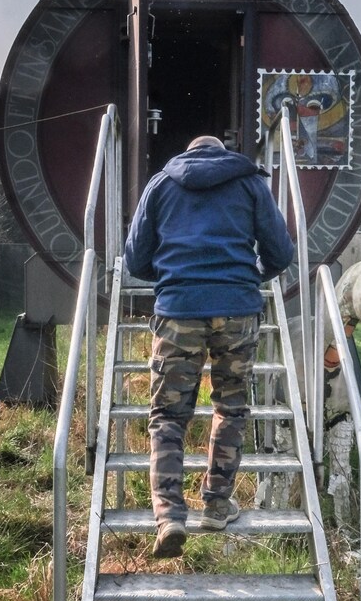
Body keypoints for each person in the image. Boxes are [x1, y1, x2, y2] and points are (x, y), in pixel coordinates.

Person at [124, 135, 294, 558]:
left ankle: (169, 515)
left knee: (168, 415)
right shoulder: (250, 182)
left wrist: (170, 274)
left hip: (178, 310)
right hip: (237, 310)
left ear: (188, 151)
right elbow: (282, 251)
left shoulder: (161, 184)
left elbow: (134, 258)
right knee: (231, 407)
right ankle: (217, 504)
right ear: (222, 152)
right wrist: (252, 274)